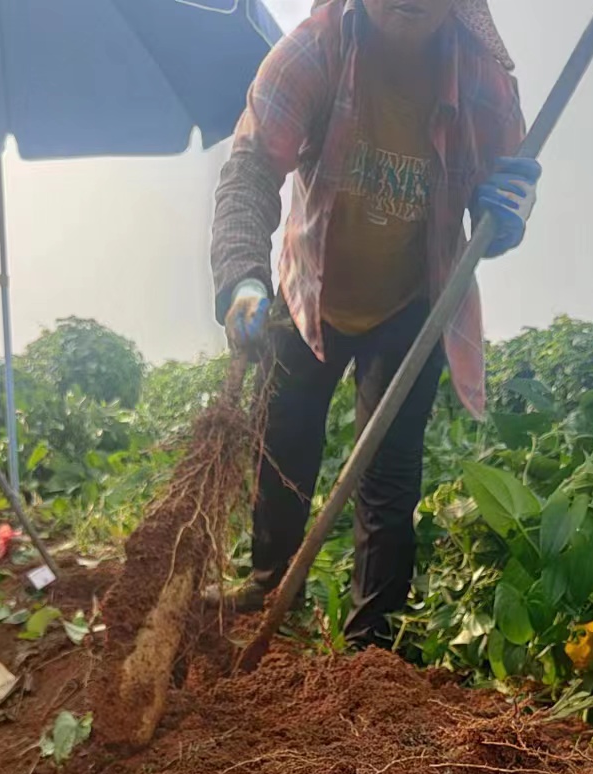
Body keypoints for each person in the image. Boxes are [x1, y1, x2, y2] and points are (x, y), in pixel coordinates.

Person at [211, 0, 539, 648]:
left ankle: (372, 647)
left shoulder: (484, 80)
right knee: (283, 444)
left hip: (410, 300)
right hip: (310, 290)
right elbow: (250, 169)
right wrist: (241, 277)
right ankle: (270, 593)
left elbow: (500, 197)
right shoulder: (311, 53)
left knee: (389, 472)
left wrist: (507, 212)